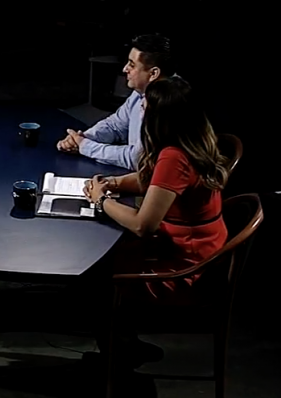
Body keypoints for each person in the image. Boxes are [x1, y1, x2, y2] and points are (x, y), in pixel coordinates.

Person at [80, 76, 230, 361]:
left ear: (160, 119)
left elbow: (142, 225)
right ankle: (125, 344)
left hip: (185, 269)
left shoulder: (174, 157)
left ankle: (117, 357)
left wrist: (100, 200)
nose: (142, 113)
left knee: (95, 274)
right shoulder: (196, 139)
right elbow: (157, 182)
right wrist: (114, 183)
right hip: (203, 253)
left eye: (146, 108)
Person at [57, 34, 175, 171]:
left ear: (153, 74)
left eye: (132, 64)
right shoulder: (140, 92)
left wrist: (85, 146)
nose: (125, 69)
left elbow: (138, 159)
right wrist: (81, 138)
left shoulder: (169, 103)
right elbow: (115, 125)